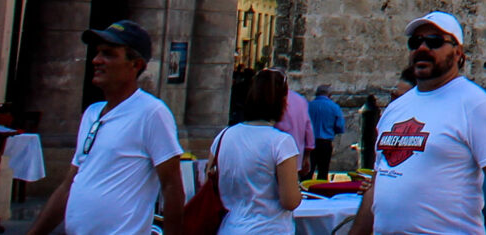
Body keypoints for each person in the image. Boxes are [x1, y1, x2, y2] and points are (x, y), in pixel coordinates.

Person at [346, 11, 486, 235]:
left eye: (434, 42)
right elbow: (379, 180)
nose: (422, 48)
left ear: (458, 52)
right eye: (415, 42)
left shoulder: (474, 103)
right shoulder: (396, 108)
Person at [24, 21, 185, 235]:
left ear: (135, 64)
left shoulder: (151, 113)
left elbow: (172, 187)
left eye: (108, 54)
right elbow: (69, 185)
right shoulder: (92, 113)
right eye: (97, 53)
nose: (96, 60)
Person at [214, 69, 307, 235]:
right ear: (283, 102)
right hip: (269, 228)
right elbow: (289, 200)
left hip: (231, 226)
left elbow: (211, 176)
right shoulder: (281, 142)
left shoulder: (224, 136)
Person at [309, 90, 349, 178]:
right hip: (325, 142)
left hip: (310, 142)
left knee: (308, 170)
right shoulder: (334, 107)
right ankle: (321, 189)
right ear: (329, 95)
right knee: (323, 170)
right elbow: (339, 126)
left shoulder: (308, 106)